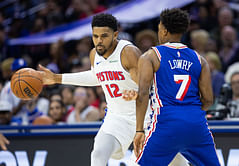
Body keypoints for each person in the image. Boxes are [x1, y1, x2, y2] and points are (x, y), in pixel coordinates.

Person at [38, 13, 187, 166]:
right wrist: (57, 78)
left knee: (174, 161)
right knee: (98, 154)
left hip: (146, 117)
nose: (99, 41)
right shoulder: (94, 54)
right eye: (95, 36)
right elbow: (97, 77)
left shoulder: (128, 53)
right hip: (117, 118)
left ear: (115, 34)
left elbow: (149, 85)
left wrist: (136, 93)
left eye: (104, 36)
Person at [133, 8, 220, 165]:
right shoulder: (200, 59)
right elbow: (208, 100)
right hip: (196, 124)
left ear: (164, 31)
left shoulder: (151, 56)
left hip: (166, 122)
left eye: (159, 28)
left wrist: (139, 130)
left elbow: (142, 94)